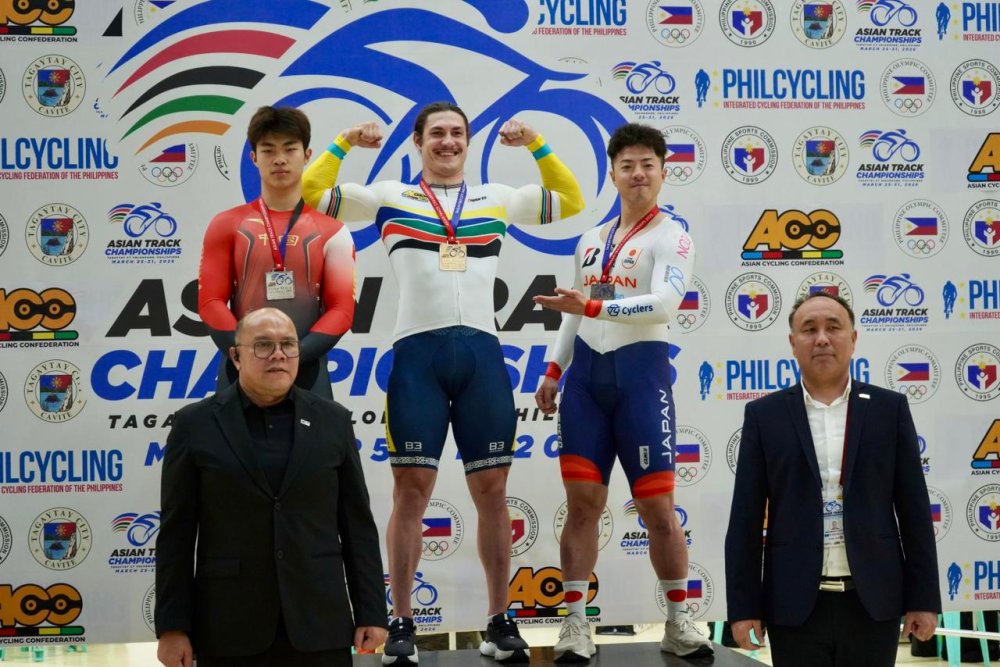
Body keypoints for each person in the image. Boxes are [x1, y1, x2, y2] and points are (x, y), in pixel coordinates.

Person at [302, 101, 584, 664]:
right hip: (417, 358)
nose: (448, 142)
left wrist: (535, 142)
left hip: (482, 356)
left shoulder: (496, 198)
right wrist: (344, 141)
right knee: (410, 492)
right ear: (418, 142)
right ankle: (401, 622)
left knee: (493, 492)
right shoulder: (390, 196)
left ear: (468, 141)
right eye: (436, 133)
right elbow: (314, 193)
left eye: (457, 133)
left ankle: (499, 621)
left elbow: (570, 199)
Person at [533, 122, 712, 661]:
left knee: (658, 508)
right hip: (586, 383)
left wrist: (591, 306)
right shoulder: (592, 239)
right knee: (581, 507)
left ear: (663, 172)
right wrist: (553, 369)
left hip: (641, 381)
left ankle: (678, 623)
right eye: (627, 166)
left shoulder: (673, 236)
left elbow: (664, 304)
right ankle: (574, 625)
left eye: (647, 165)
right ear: (612, 174)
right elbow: (574, 311)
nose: (637, 174)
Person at [154, 308, 386, 667]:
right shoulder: (194, 424)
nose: (278, 355)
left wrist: (371, 611)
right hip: (229, 627)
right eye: (263, 345)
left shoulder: (333, 420)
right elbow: (176, 535)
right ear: (236, 356)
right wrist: (172, 628)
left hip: (319, 623)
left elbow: (357, 525)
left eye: (288, 345)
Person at [725, 291, 941, 667]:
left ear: (853, 339)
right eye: (809, 329)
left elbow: (914, 510)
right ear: (793, 343)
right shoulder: (764, 416)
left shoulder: (889, 410)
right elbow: (745, 517)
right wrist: (744, 608)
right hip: (793, 604)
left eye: (833, 327)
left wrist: (923, 599)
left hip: (873, 601)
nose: (822, 338)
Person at [199, 106, 356, 399]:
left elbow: (342, 310)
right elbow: (210, 302)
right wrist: (246, 353)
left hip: (307, 370)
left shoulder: (333, 231)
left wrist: (292, 356)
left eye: (290, 149)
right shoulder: (226, 224)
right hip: (241, 370)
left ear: (307, 155)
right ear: (254, 158)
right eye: (268, 150)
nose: (280, 159)